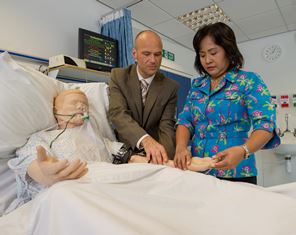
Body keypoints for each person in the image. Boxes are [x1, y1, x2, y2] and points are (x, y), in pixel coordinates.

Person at [7, 89, 217, 211]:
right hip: (70, 196)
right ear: (57, 111)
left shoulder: (101, 141)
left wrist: (178, 165)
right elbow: (29, 160)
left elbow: (134, 160)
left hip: (108, 192)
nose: (82, 107)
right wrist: (43, 173)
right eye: (74, 103)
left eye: (85, 104)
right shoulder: (44, 138)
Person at [174, 22, 280, 184]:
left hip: (236, 171)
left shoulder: (249, 81)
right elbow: (185, 120)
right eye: (202, 55)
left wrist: (243, 150)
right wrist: (181, 148)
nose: (207, 60)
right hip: (198, 170)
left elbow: (265, 125)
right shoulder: (197, 85)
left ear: (228, 51)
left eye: (213, 52)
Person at [108, 30, 179, 165]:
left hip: (155, 154)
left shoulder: (170, 88)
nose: (153, 60)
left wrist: (165, 159)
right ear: (135, 54)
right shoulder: (118, 76)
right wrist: (145, 140)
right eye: (146, 54)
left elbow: (166, 127)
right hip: (125, 152)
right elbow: (118, 114)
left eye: (157, 54)